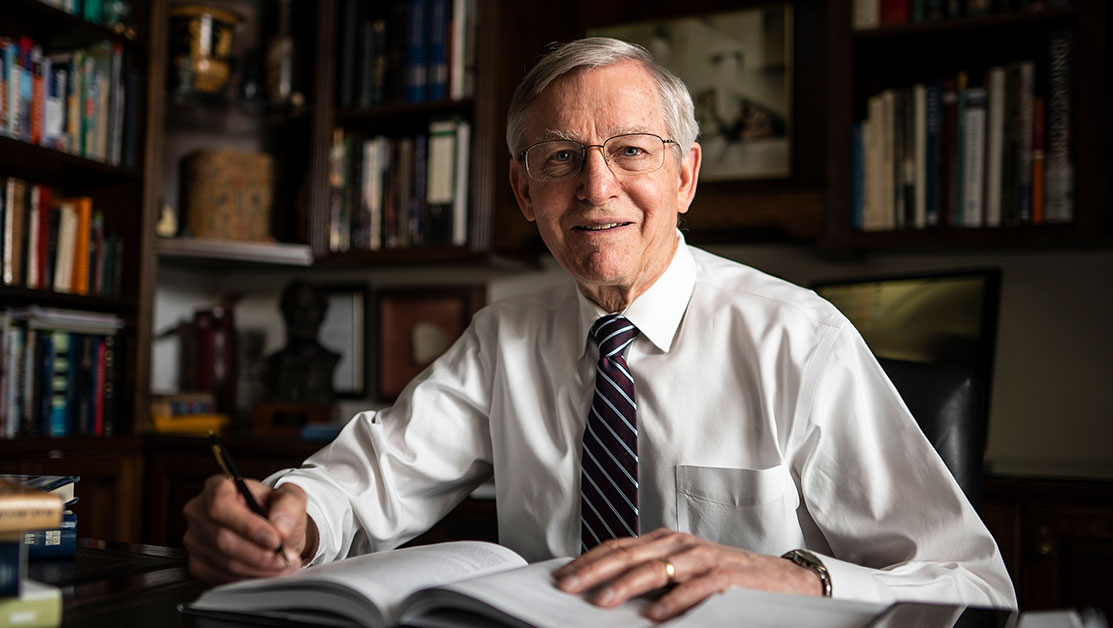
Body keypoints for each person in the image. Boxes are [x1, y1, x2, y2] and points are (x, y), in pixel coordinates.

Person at [183, 37, 1017, 621]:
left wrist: (793, 580)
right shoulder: (504, 338)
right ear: (524, 193)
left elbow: (978, 588)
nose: (596, 189)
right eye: (560, 159)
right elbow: (369, 479)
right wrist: (289, 516)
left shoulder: (798, 339)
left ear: (685, 175)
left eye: (630, 151)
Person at [258, 279, 340, 404]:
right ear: (285, 313)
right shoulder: (271, 364)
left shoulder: (329, 360)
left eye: (311, 309)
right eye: (296, 308)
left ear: (322, 314)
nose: (304, 316)